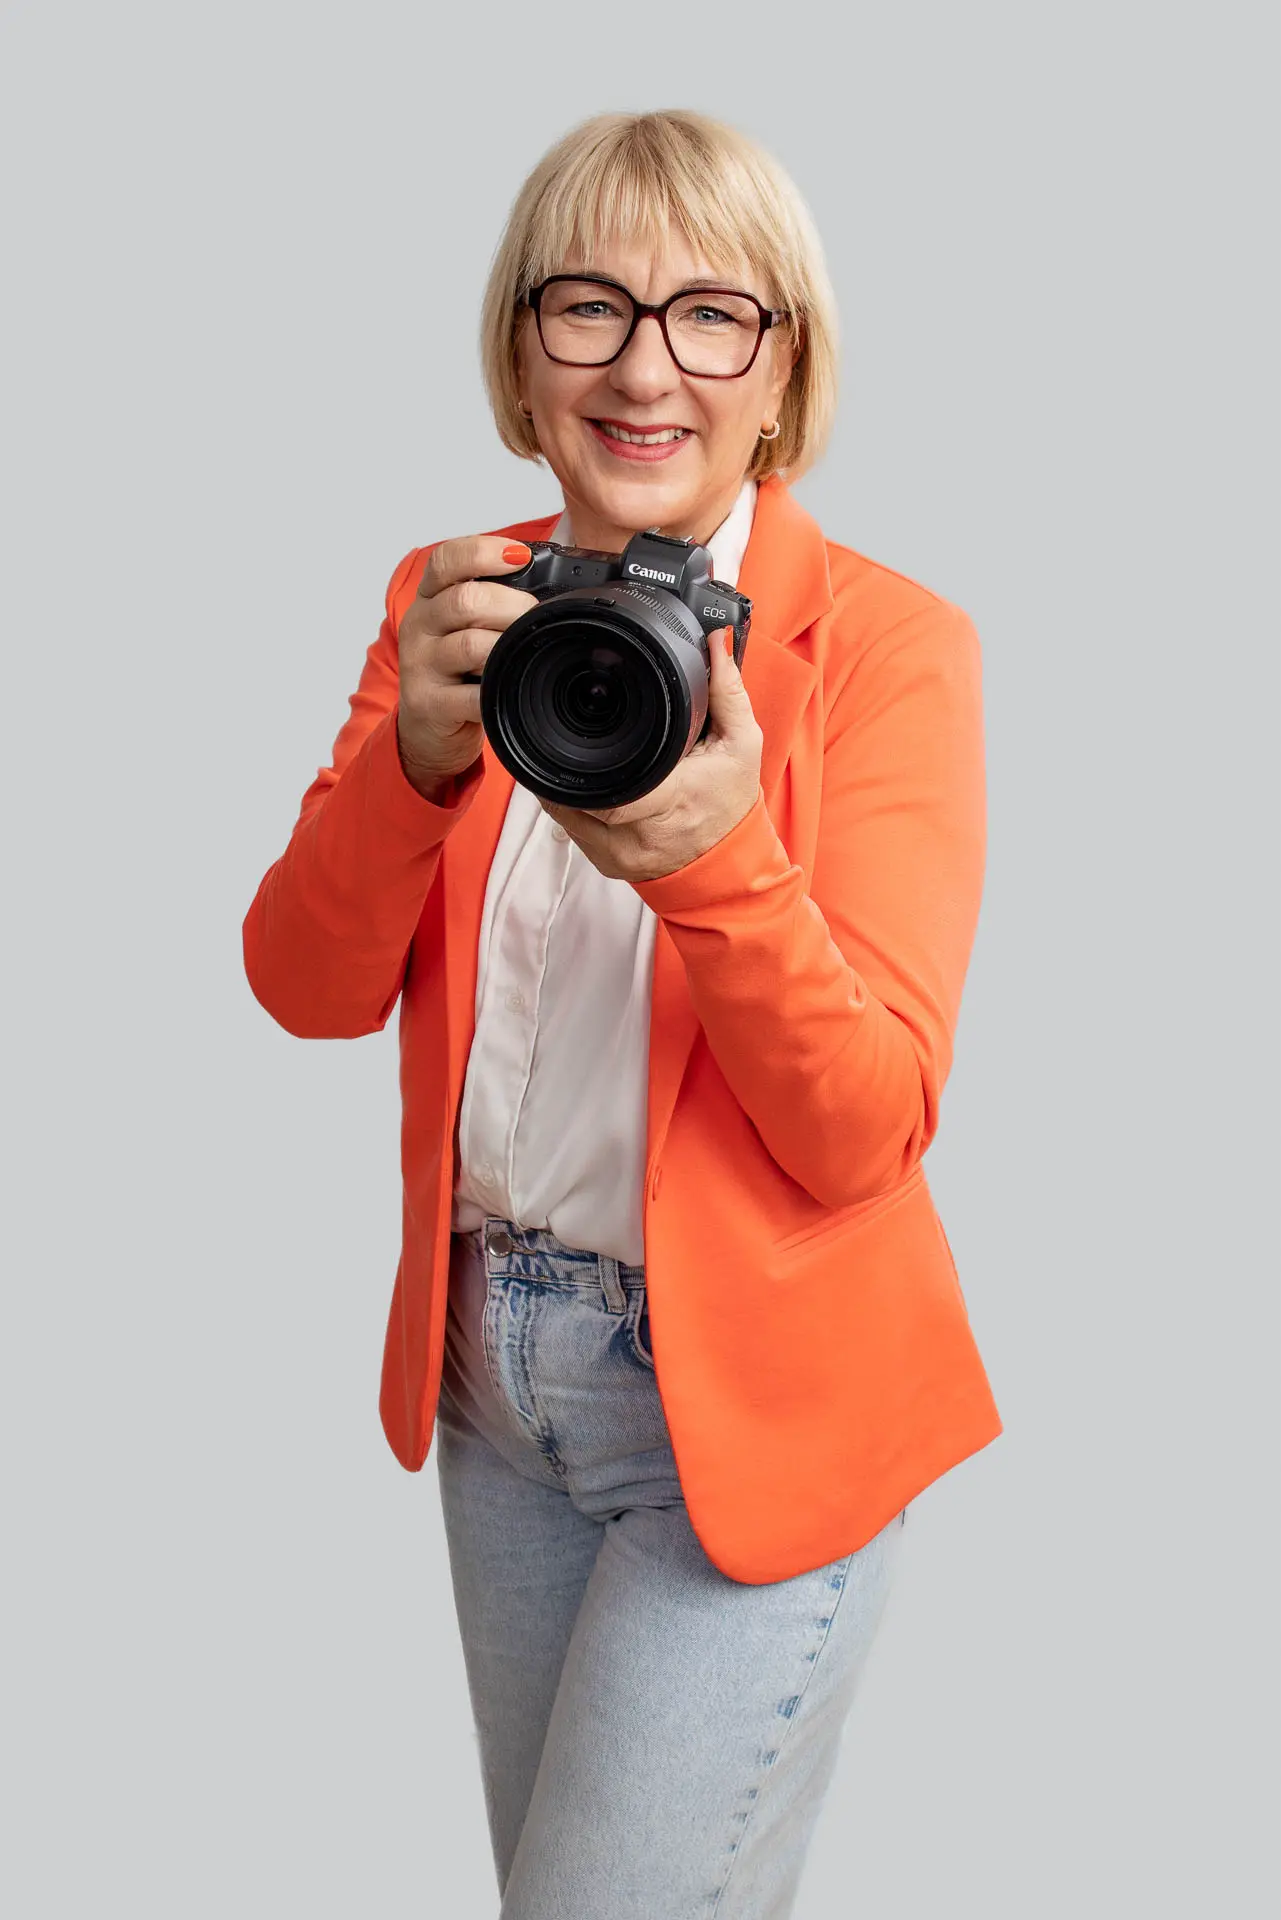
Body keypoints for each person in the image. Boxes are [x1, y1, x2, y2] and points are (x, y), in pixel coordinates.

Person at [243, 108, 1002, 1919]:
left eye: (709, 313)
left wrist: (716, 857)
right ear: (520, 347)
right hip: (498, 1388)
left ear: (780, 362)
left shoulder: (891, 649)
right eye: (585, 306)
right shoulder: (456, 605)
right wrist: (412, 774)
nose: (646, 365)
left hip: (752, 1414)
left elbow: (865, 1127)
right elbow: (304, 985)